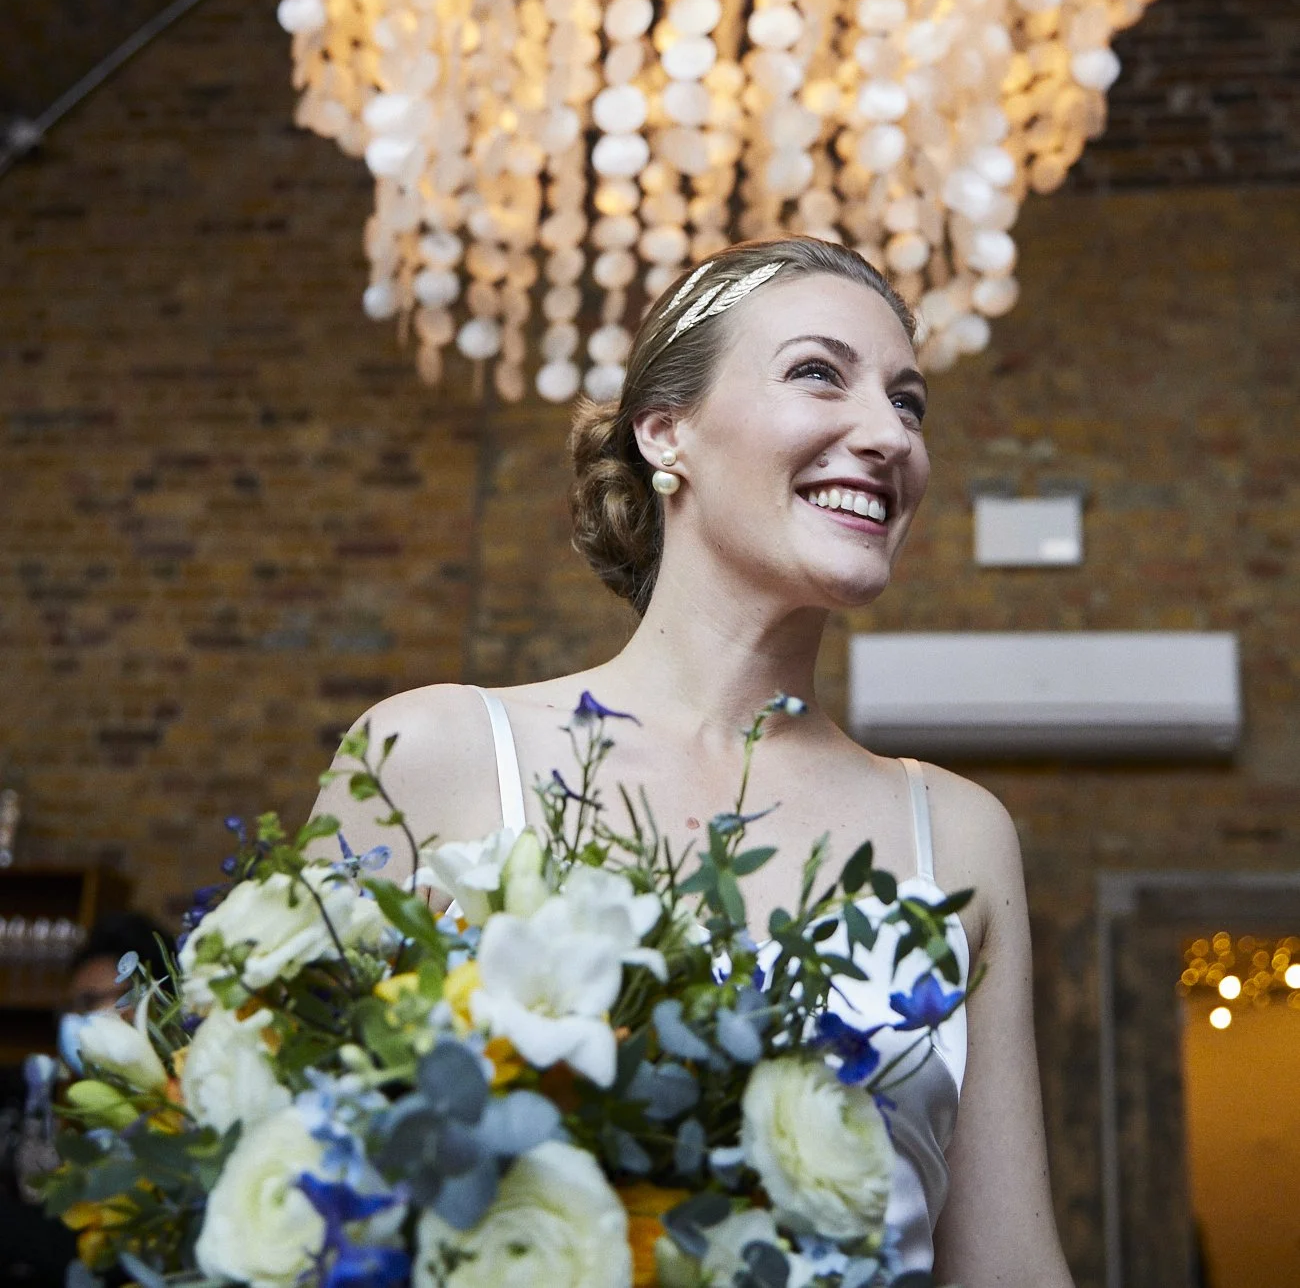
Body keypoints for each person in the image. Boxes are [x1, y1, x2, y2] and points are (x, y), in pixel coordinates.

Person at [324, 235, 1075, 1287]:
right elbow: (278, 1169)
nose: (887, 436)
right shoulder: (434, 756)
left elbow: (1006, 1267)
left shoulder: (956, 832)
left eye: (909, 404)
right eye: (819, 373)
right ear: (666, 432)